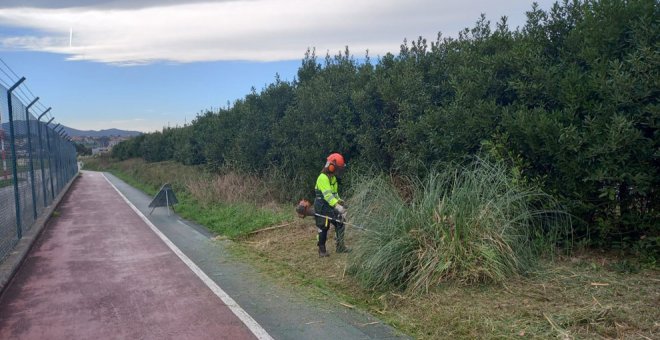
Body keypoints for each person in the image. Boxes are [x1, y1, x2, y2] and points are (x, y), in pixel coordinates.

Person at [314, 152, 350, 257]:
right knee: (323, 227)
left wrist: (340, 201)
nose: (338, 171)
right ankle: (322, 251)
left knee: (341, 221)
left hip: (330, 205)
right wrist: (337, 206)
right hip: (321, 206)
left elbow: (334, 194)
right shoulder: (322, 178)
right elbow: (328, 196)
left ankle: (340, 247)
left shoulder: (333, 179)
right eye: (337, 168)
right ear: (331, 166)